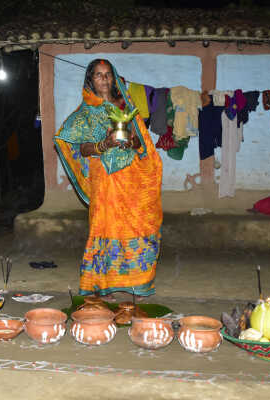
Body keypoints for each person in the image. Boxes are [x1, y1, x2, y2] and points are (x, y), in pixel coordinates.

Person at [54, 59, 163, 302]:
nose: (104, 79)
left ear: (114, 78)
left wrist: (131, 142)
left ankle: (137, 283)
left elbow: (140, 142)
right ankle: (105, 285)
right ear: (90, 80)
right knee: (106, 227)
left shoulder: (126, 106)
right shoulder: (85, 113)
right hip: (105, 180)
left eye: (108, 75)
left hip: (132, 177)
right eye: (98, 75)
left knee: (138, 225)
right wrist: (105, 144)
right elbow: (81, 149)